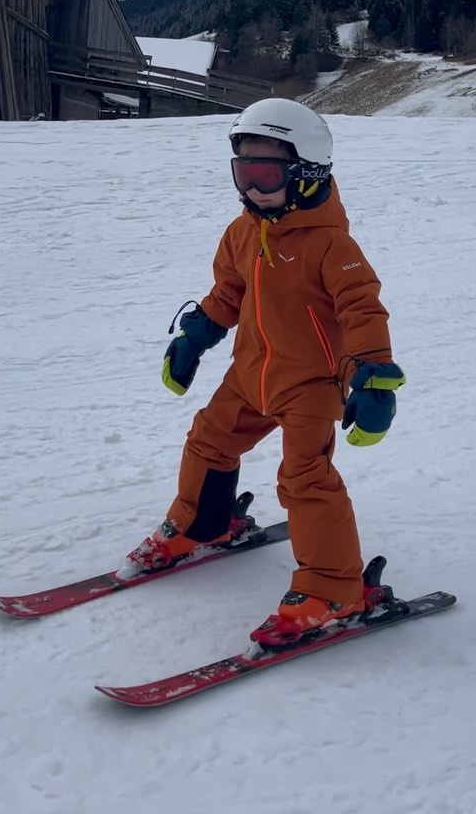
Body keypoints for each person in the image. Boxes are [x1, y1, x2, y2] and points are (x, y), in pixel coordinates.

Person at [121, 97, 405, 643]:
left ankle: (332, 589)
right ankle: (202, 524)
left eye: (265, 175)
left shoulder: (330, 244)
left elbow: (362, 309)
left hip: (312, 385)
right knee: (209, 439)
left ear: (306, 174)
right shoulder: (242, 232)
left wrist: (374, 374)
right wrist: (196, 336)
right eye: (242, 174)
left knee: (303, 479)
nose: (251, 190)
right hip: (250, 374)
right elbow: (227, 291)